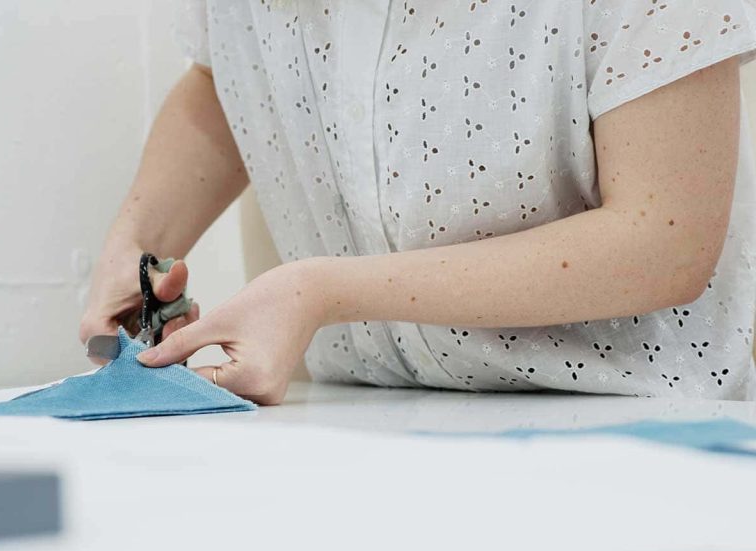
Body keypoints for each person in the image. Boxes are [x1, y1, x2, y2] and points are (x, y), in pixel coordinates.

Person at [80, 1, 756, 405]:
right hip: (362, 418)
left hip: (639, 434)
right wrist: (136, 239)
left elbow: (663, 241)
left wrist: (321, 292)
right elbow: (225, 77)